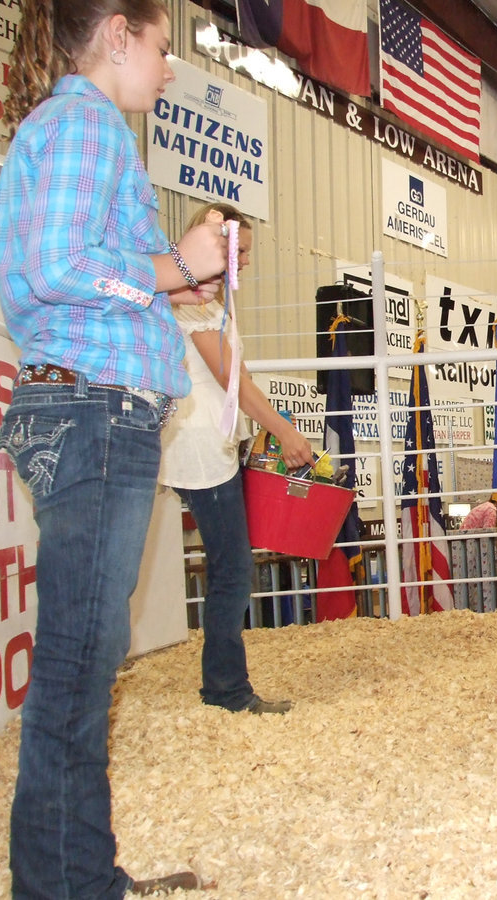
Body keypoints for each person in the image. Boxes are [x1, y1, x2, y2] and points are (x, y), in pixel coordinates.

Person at [0, 2, 229, 896]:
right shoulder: (88, 125)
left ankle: (82, 876)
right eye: (163, 46)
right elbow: (59, 264)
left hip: (86, 408)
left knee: (84, 657)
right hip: (93, 414)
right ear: (119, 36)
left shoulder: (64, 128)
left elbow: (73, 276)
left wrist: (175, 269)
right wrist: (175, 266)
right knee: (77, 662)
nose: (169, 68)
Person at [159, 202, 309, 716]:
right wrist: (283, 430)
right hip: (197, 445)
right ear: (212, 242)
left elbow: (235, 380)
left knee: (229, 565)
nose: (244, 261)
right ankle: (225, 689)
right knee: (231, 568)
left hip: (209, 444)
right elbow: (230, 378)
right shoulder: (194, 300)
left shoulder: (205, 299)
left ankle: (223, 685)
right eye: (239, 250)